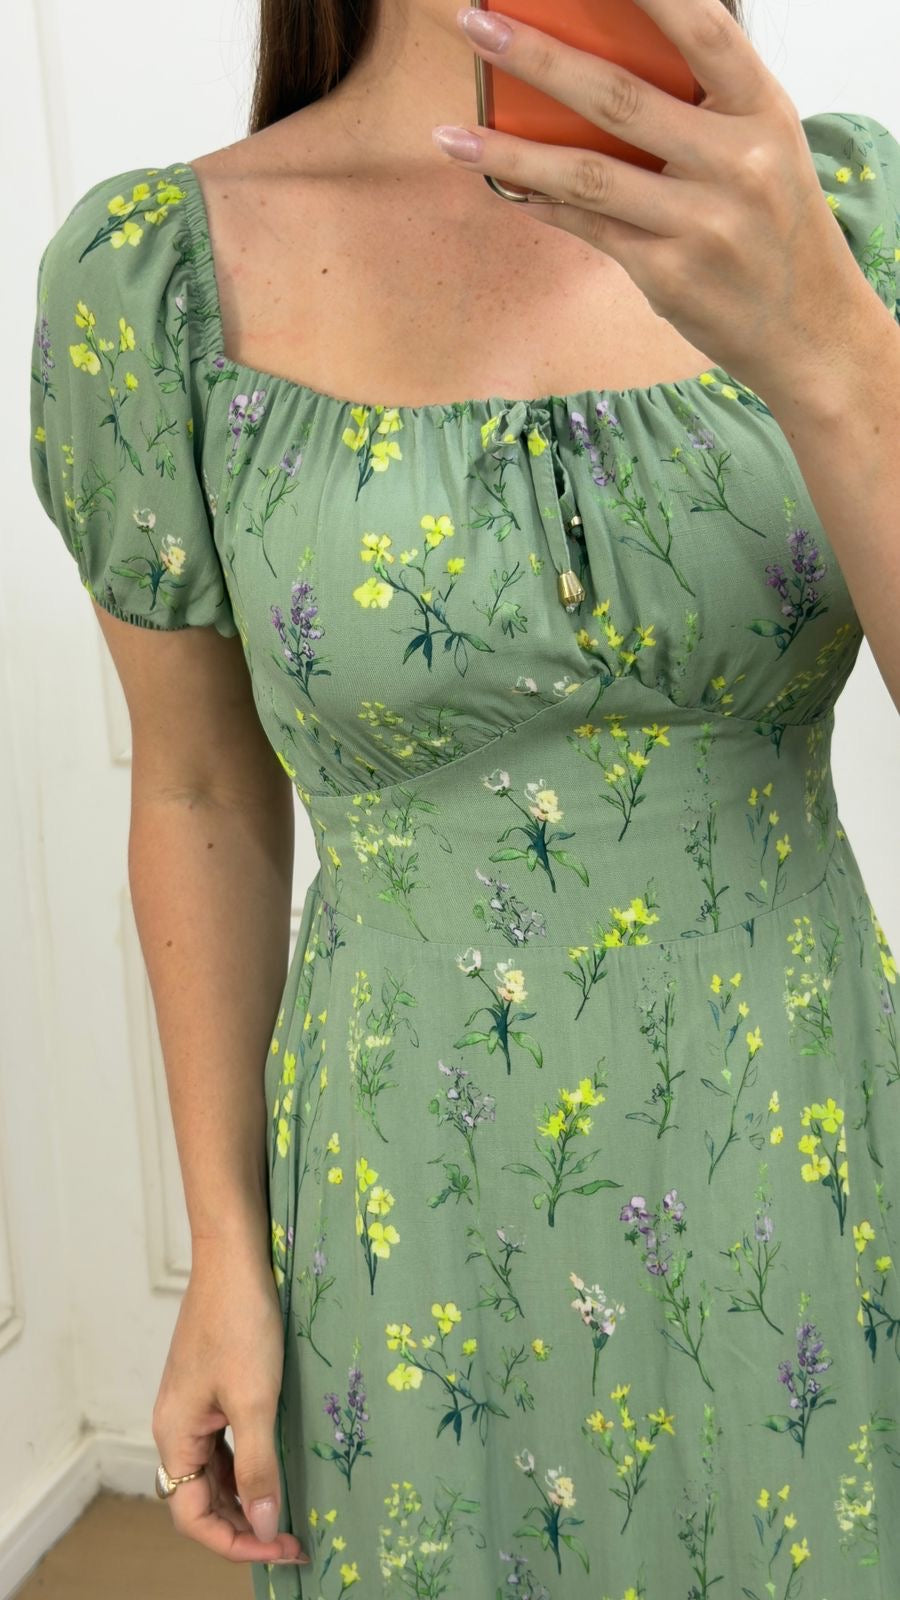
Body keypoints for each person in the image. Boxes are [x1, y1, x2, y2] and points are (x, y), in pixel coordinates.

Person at [29, 0, 900, 1593]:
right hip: (411, 1218)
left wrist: (834, 345)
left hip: (811, 1160)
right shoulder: (158, 279)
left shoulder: (840, 214)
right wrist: (224, 1245)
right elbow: (201, 787)